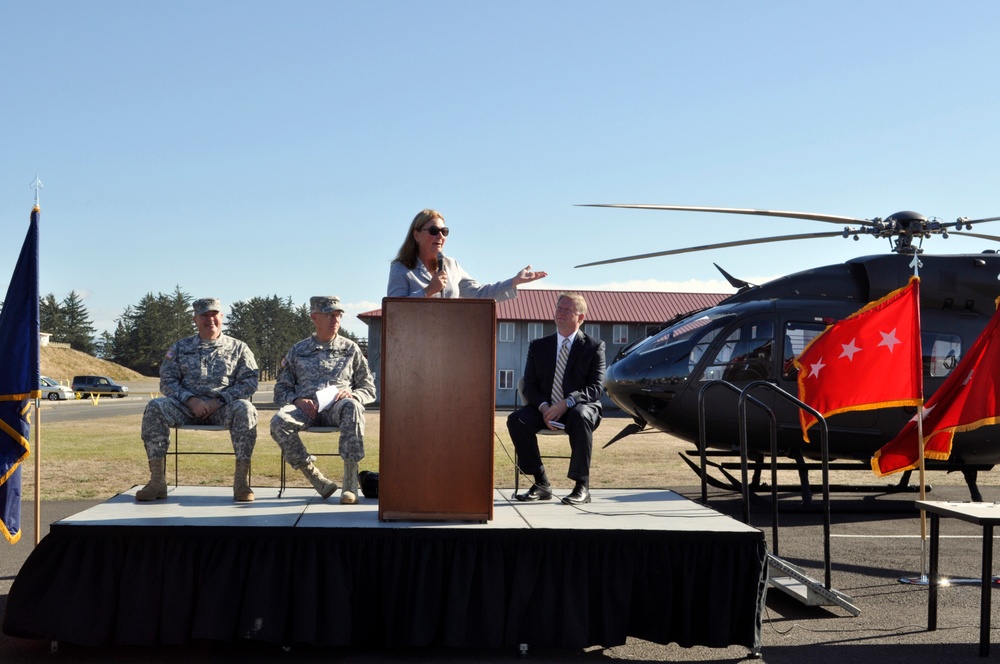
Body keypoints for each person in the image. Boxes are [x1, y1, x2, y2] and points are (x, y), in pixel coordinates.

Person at [137, 297, 259, 502]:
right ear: (195, 319)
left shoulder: (239, 348)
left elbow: (250, 382)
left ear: (221, 317)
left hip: (223, 408)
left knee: (246, 409)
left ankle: (241, 483)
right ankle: (157, 481)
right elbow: (167, 381)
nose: (209, 320)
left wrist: (220, 400)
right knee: (155, 406)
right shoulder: (180, 348)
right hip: (186, 408)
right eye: (204, 315)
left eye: (214, 315)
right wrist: (190, 400)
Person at [270, 296, 376, 504]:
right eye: (329, 314)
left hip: (338, 407)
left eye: (338, 315)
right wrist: (297, 399)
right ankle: (316, 478)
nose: (335, 319)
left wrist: (353, 395)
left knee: (353, 407)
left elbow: (369, 388)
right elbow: (280, 390)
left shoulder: (350, 349)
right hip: (306, 410)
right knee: (278, 421)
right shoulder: (298, 351)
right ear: (314, 317)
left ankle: (350, 483)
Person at [507, 292, 605, 505]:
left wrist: (567, 402)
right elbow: (529, 386)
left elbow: (596, 388)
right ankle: (541, 482)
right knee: (517, 420)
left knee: (579, 415)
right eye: (558, 309)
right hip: (545, 408)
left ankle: (581, 487)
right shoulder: (538, 346)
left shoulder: (594, 347)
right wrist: (544, 408)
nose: (560, 313)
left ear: (580, 318)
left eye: (567, 310)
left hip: (580, 408)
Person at [387, 208, 547, 299]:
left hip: (449, 342)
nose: (440, 236)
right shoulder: (401, 269)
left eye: (444, 231)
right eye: (434, 231)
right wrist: (428, 290)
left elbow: (479, 293)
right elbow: (394, 309)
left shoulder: (451, 266)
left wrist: (513, 281)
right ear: (416, 235)